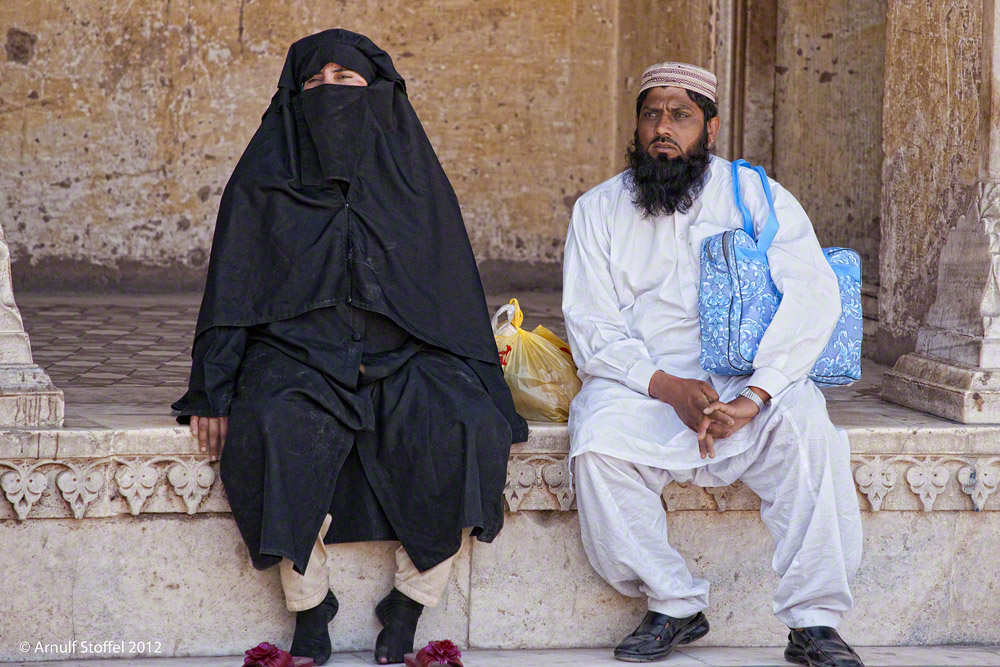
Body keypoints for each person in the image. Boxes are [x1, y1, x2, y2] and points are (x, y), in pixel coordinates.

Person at [172, 29, 527, 667]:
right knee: (275, 429)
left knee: (469, 426)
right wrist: (212, 388)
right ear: (292, 97)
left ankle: (410, 605)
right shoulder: (263, 179)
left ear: (380, 94)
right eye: (315, 84)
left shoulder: (413, 179)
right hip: (296, 356)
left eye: (347, 81)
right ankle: (310, 608)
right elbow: (233, 288)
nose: (330, 94)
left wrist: (490, 390)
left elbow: (451, 291)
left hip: (405, 357)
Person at [562, 61, 865, 666]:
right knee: (595, 438)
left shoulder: (753, 194)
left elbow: (813, 295)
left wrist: (757, 396)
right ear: (637, 125)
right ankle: (674, 603)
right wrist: (666, 386)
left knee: (810, 429)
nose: (663, 129)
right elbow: (592, 323)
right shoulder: (598, 209)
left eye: (680, 116)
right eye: (652, 114)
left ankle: (814, 622)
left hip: (748, 380)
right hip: (646, 384)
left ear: (711, 126)